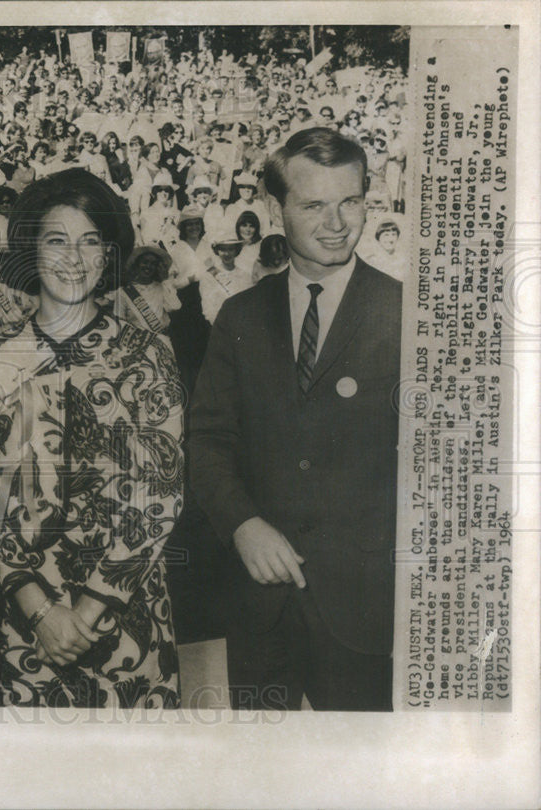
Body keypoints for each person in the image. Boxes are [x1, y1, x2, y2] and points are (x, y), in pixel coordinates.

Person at [188, 127, 402, 711]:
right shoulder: (239, 316)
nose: (336, 222)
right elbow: (206, 441)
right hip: (261, 610)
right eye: (313, 205)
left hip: (366, 613)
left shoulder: (406, 314)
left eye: (350, 202)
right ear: (274, 210)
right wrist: (242, 524)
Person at [0, 168, 183, 708]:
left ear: (109, 255)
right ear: (31, 252)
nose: (74, 258)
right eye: (56, 241)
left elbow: (158, 498)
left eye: (90, 242)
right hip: (26, 630)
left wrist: (86, 613)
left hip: (128, 623)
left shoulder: (146, 353)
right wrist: (40, 612)